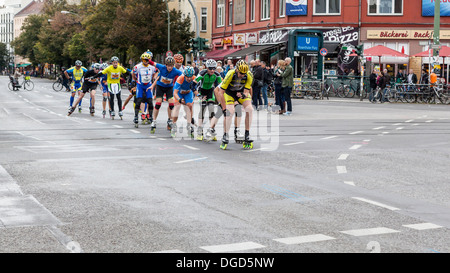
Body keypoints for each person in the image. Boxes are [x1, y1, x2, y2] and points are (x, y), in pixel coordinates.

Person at [218, 60, 254, 150]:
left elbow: (247, 91)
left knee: (250, 109)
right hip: (229, 93)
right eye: (241, 73)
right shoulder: (230, 73)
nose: (242, 75)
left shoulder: (249, 75)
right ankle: (225, 135)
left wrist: (243, 95)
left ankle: (247, 134)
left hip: (240, 93)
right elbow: (221, 92)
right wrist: (223, 108)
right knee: (230, 112)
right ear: (237, 69)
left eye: (244, 73)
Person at [147, 56, 183, 133]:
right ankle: (154, 121)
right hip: (160, 87)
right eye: (168, 66)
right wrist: (147, 60)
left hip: (169, 88)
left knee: (171, 105)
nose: (170, 67)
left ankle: (170, 120)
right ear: (166, 65)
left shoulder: (175, 71)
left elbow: (184, 75)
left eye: (171, 66)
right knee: (158, 104)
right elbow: (153, 63)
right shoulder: (162, 67)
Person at [193, 59, 222, 140]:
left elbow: (221, 87)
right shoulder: (202, 73)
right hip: (202, 91)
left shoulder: (217, 74)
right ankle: (199, 131)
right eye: (210, 68)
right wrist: (198, 95)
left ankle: (212, 130)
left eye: (214, 68)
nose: (212, 70)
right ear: (206, 68)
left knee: (211, 109)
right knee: (202, 110)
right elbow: (193, 85)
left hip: (210, 91)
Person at [131, 52, 157, 127]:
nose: (145, 61)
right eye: (144, 60)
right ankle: (136, 117)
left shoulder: (152, 67)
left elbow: (155, 73)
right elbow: (133, 73)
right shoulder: (137, 67)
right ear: (141, 60)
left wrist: (153, 78)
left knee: (150, 101)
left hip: (148, 85)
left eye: (147, 60)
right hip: (140, 85)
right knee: (138, 100)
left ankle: (151, 117)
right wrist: (134, 80)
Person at [172, 66, 197, 138]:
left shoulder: (194, 78)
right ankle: (174, 125)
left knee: (190, 106)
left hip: (188, 93)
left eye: (190, 77)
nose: (189, 78)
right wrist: (179, 100)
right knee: (177, 106)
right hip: (179, 93)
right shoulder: (180, 78)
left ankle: (189, 125)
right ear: (184, 75)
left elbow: (196, 90)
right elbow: (175, 93)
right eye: (187, 77)